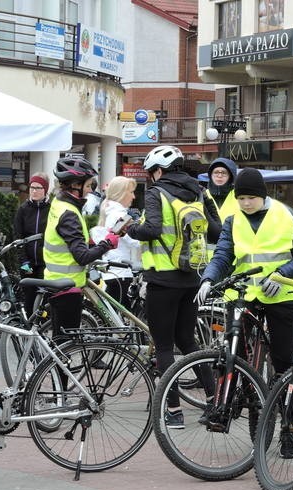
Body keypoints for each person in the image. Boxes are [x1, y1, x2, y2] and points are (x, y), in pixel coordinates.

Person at [197, 167, 293, 454]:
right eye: (241, 198)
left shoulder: (286, 216)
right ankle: (246, 408)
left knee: (284, 365)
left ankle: (287, 430)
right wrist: (209, 277)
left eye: (251, 198)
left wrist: (282, 274)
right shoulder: (233, 220)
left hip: (281, 296)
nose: (246, 203)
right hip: (244, 295)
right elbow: (223, 254)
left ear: (263, 196)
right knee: (236, 356)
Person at [126, 145, 222, 429]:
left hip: (162, 279)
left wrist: (131, 228)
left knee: (164, 346)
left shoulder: (156, 193)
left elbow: (152, 228)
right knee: (190, 343)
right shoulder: (199, 191)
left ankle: (174, 411)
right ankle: (214, 401)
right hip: (191, 277)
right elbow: (216, 230)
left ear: (158, 171)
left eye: (150, 172)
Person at [43, 156, 119, 341]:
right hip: (68, 287)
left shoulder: (60, 204)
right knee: (66, 344)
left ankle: (54, 370)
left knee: (61, 341)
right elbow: (82, 256)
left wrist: (96, 242)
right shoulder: (69, 213)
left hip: (57, 282)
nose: (89, 190)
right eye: (87, 185)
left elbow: (68, 240)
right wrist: (107, 244)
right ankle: (56, 371)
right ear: (75, 185)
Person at [90, 176, 142, 309]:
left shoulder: (110, 212)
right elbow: (135, 241)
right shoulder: (120, 216)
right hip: (120, 272)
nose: (134, 196)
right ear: (121, 194)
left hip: (113, 271)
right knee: (120, 317)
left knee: (115, 314)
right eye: (131, 192)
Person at [13, 173, 51, 315]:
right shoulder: (23, 209)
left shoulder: (51, 209)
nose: (34, 191)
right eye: (32, 187)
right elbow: (18, 236)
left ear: (45, 190)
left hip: (45, 262)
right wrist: (24, 261)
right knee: (29, 297)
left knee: (43, 298)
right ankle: (29, 326)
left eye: (38, 187)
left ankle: (42, 326)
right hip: (27, 261)